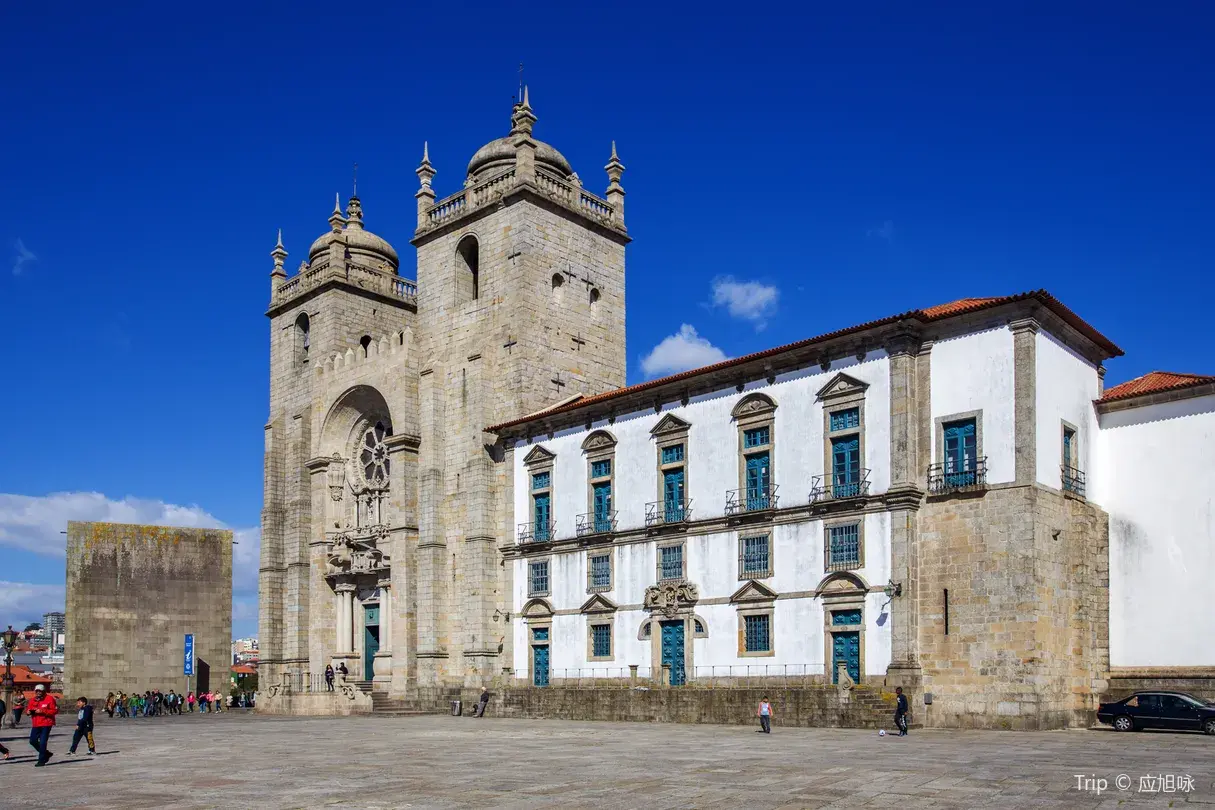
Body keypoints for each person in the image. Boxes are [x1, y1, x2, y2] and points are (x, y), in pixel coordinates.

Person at [27, 684, 57, 766]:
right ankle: (46, 753)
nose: (38, 693)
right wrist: (29, 712)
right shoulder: (32, 700)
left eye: (40, 691)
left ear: (44, 691)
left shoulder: (50, 699)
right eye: (37, 691)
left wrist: (43, 711)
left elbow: (54, 711)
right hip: (36, 723)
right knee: (32, 741)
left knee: (43, 742)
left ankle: (41, 760)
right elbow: (28, 709)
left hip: (46, 723)